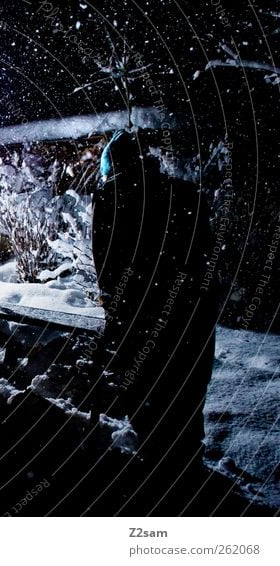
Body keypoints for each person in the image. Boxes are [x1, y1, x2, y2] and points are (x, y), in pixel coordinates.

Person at [92, 130, 216, 470]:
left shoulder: (111, 198)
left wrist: (116, 316)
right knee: (187, 394)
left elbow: (108, 267)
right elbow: (209, 258)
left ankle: (161, 477)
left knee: (149, 396)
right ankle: (189, 470)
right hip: (193, 316)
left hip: (143, 317)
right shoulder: (189, 194)